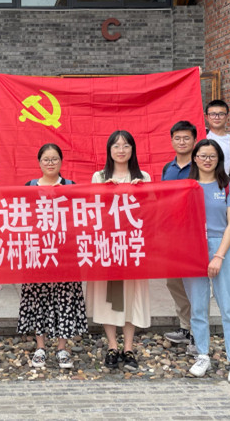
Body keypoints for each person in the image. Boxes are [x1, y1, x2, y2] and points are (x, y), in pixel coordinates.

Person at [17, 144, 87, 369]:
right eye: (46, 159)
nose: (50, 163)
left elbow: (80, 218)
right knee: (38, 300)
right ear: (39, 162)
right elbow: (22, 218)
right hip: (38, 253)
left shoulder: (71, 186)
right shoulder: (29, 187)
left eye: (54, 159)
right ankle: (40, 346)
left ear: (61, 161)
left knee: (64, 299)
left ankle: (62, 348)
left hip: (65, 254)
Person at [88, 130, 151, 372]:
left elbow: (152, 210)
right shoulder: (99, 177)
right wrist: (104, 191)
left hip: (134, 246)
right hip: (109, 246)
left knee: (132, 296)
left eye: (126, 145)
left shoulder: (143, 177)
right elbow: (91, 211)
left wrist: (142, 191)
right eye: (116, 145)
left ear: (133, 149)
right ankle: (113, 346)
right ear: (109, 150)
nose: (121, 150)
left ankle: (129, 347)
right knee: (110, 297)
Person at [183, 139, 230, 385]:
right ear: (194, 158)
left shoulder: (228, 186)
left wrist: (218, 256)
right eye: (202, 155)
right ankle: (202, 355)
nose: (207, 160)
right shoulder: (187, 187)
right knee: (198, 307)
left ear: (219, 159)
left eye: (212, 156)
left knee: (229, 306)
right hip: (192, 248)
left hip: (222, 247)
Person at [161, 121, 199, 356]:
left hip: (194, 235)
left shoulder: (202, 165)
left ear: (194, 141)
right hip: (171, 234)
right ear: (172, 141)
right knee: (174, 283)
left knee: (195, 285)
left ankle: (198, 333)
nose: (182, 142)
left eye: (186, 138)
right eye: (178, 138)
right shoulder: (168, 168)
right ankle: (185, 327)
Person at [205, 100, 230, 184]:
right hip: (200, 187)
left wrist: (227, 188)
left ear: (227, 116)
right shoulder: (200, 136)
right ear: (206, 117)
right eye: (212, 114)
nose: (217, 117)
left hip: (223, 187)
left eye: (221, 114)